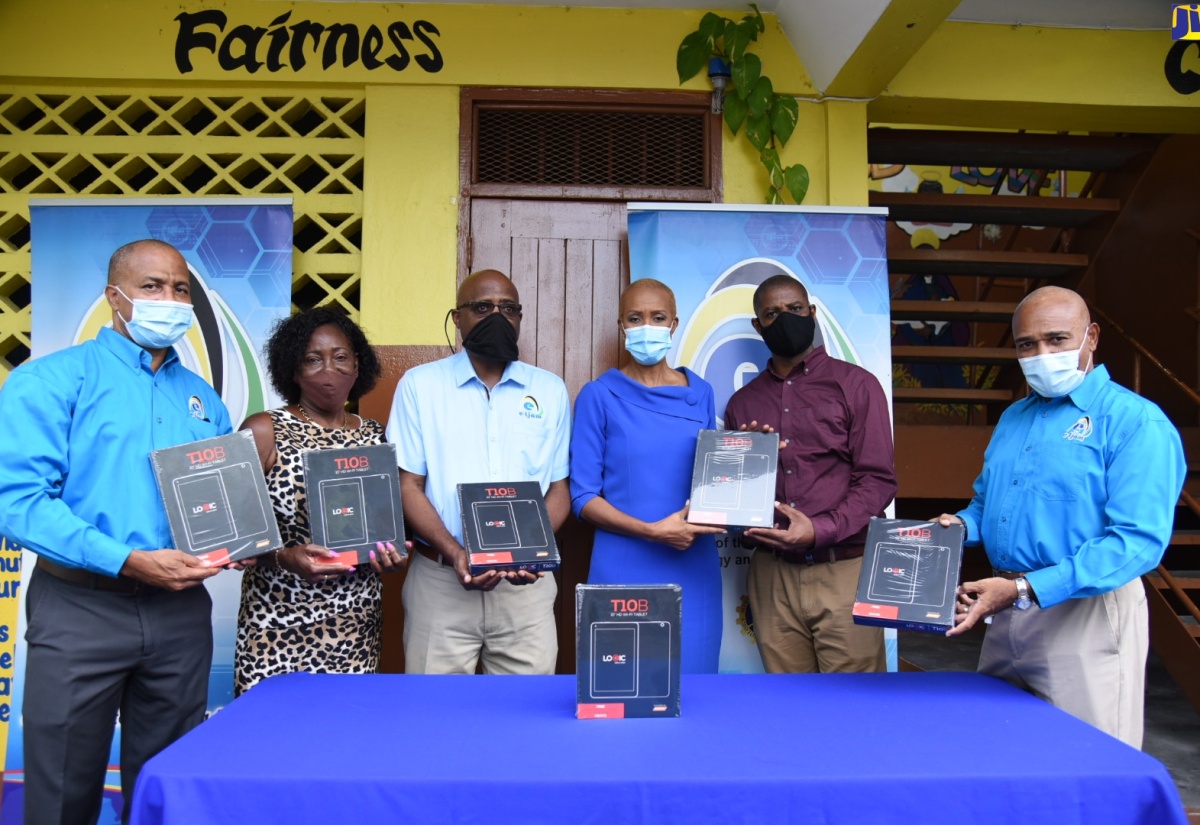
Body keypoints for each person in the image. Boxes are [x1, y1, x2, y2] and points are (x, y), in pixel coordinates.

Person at [0, 239, 232, 824]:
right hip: (80, 608)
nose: (170, 300)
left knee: (166, 785)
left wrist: (243, 542)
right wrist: (127, 559)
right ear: (115, 297)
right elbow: (21, 503)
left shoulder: (202, 399)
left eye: (181, 289)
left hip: (179, 614)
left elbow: (222, 504)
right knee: (61, 789)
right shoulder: (52, 381)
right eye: (153, 287)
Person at [936, 286, 1185, 748]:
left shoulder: (1136, 423)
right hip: (1004, 607)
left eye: (1056, 340)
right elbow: (988, 506)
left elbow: (1136, 542)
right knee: (1001, 752)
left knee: (1087, 762)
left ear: (1091, 337)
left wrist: (1026, 588)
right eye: (1027, 345)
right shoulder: (1014, 417)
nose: (1041, 354)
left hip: (1085, 611)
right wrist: (957, 528)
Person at [387, 269, 570, 674]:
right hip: (441, 585)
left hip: (526, 593)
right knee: (437, 720)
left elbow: (558, 489)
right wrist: (455, 554)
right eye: (482, 307)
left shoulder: (550, 390)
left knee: (524, 721)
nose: (496, 317)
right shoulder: (419, 386)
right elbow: (408, 484)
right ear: (457, 318)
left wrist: (532, 553)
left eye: (508, 309)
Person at [724, 274, 896, 673]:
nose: (785, 319)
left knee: (854, 706)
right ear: (758, 326)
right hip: (772, 575)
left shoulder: (857, 385)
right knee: (788, 707)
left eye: (795, 310)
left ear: (812, 313)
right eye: (772, 313)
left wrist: (820, 529)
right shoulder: (743, 403)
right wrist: (743, 463)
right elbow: (735, 499)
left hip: (844, 569)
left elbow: (877, 479)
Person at [234, 307, 407, 695]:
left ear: (358, 366)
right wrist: (284, 557)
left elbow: (385, 525)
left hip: (355, 621)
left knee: (344, 740)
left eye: (340, 357)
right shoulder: (264, 429)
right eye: (313, 359)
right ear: (293, 371)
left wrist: (391, 555)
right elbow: (236, 537)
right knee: (270, 739)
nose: (329, 369)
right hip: (277, 619)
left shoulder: (376, 437)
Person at [570, 279, 726, 673]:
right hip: (623, 565)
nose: (647, 327)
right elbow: (583, 498)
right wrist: (653, 531)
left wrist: (753, 460)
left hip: (692, 562)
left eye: (658, 318)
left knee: (696, 691)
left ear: (674, 324)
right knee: (620, 688)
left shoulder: (701, 392)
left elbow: (713, 479)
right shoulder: (599, 395)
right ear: (621, 325)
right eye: (636, 318)